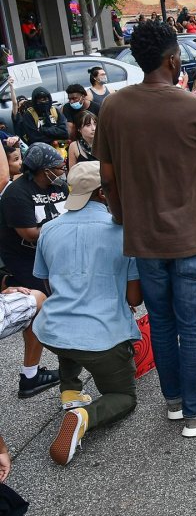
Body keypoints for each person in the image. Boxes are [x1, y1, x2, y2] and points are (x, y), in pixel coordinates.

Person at [95, 20, 196, 437]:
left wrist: (121, 216)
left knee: (161, 322)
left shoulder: (113, 108)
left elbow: (107, 175)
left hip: (144, 240)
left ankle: (174, 402)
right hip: (190, 237)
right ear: (173, 59)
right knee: (191, 326)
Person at [31, 162, 144, 464]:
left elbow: (48, 283)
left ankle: (70, 391)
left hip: (52, 331)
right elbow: (134, 296)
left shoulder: (49, 229)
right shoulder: (121, 230)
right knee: (124, 397)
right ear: (104, 192)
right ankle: (84, 416)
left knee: (69, 328)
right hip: (102, 338)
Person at [0, 142, 67, 293]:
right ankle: (8, 281)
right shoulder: (16, 194)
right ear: (45, 170)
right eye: (59, 168)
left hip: (56, 250)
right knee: (50, 292)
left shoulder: (60, 186)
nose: (63, 172)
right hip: (27, 256)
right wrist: (64, 224)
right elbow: (30, 235)